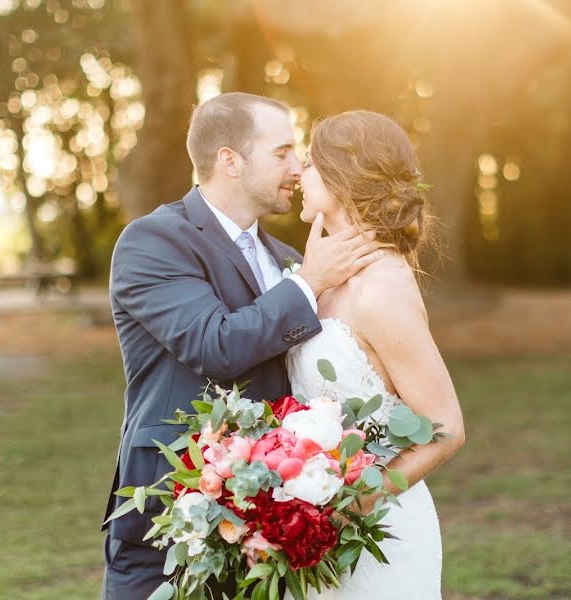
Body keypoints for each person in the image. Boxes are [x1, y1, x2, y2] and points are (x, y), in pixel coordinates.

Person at [101, 93, 382, 600]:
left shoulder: (290, 258)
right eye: (281, 153)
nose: (297, 168)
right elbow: (215, 345)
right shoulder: (153, 242)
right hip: (173, 515)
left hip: (273, 527)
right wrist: (308, 285)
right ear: (230, 160)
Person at [285, 110, 466, 599]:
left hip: (379, 538)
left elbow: (446, 427)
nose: (299, 174)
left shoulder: (380, 289)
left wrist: (350, 506)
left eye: (312, 163)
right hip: (313, 539)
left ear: (344, 176)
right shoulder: (316, 281)